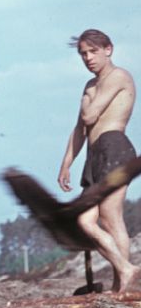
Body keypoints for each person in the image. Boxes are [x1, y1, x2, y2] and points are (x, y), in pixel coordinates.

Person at [57, 28, 140, 292]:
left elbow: (90, 116)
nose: (88, 58)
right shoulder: (90, 86)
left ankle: (121, 284)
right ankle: (125, 270)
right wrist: (66, 163)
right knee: (84, 220)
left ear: (108, 49)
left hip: (114, 148)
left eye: (93, 51)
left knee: (110, 216)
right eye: (83, 53)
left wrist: (87, 101)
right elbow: (79, 129)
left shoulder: (119, 76)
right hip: (94, 156)